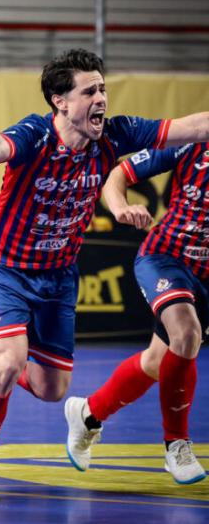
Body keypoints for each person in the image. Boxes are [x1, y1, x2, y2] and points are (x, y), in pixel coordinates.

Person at [0, 48, 209, 500]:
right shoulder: (35, 134)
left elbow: (189, 128)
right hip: (4, 267)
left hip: (59, 276)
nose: (101, 98)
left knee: (51, 389)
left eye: (103, 89)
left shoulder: (116, 134)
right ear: (60, 102)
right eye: (89, 91)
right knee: (9, 365)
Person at [61, 145, 207, 484]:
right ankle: (176, 445)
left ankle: (88, 414)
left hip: (206, 273)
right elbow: (118, 175)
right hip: (166, 257)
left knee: (158, 362)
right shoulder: (193, 139)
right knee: (186, 333)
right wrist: (121, 207)